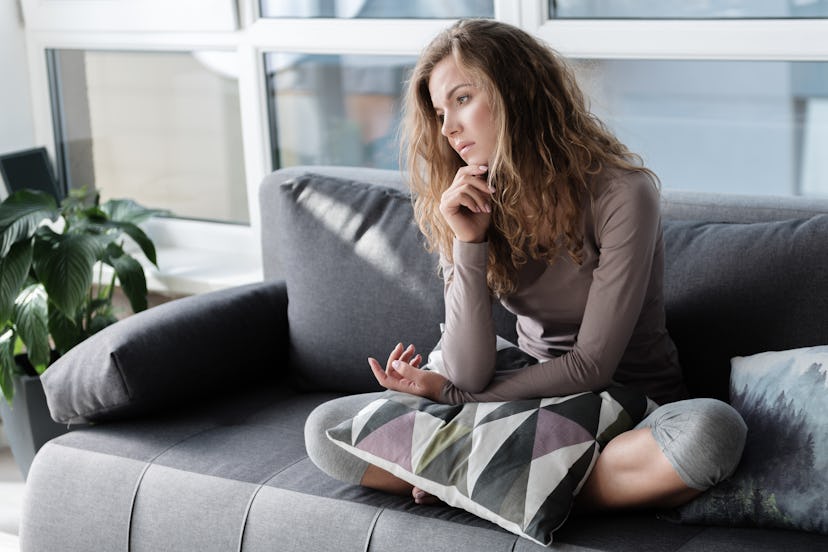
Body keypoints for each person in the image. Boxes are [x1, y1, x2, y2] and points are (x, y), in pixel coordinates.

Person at [305, 18, 747, 511]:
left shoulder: (623, 192)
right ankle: (530, 485)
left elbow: (590, 366)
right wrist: (467, 243)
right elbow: (471, 373)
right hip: (524, 398)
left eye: (463, 99)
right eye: (438, 111)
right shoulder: (470, 197)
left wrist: (454, 400)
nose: (448, 128)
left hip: (628, 405)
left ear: (518, 93)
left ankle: (474, 480)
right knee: (327, 430)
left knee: (712, 432)